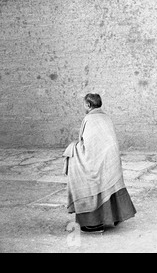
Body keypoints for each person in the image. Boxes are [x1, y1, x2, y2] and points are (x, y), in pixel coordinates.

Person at [63, 93, 136, 233]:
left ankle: (93, 223)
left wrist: (73, 148)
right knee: (107, 180)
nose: (84, 107)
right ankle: (114, 215)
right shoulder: (106, 117)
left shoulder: (89, 119)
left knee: (81, 172)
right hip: (111, 159)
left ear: (89, 105)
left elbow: (88, 147)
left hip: (97, 158)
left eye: (84, 104)